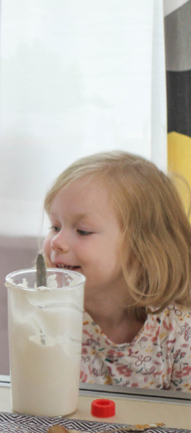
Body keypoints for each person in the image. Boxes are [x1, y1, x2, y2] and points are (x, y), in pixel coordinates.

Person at [42, 151, 191, 391]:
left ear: (140, 248)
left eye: (82, 231)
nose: (57, 242)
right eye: (55, 226)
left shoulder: (179, 330)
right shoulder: (44, 314)